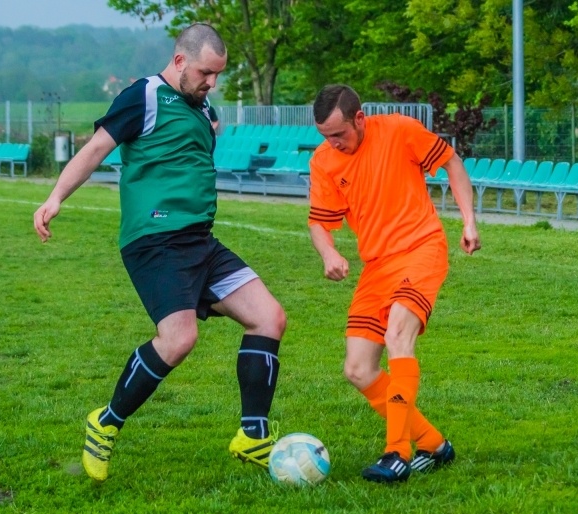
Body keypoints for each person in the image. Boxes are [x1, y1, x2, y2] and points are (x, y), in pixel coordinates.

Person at [33, 23, 286, 482]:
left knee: (269, 317)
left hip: (199, 242)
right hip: (155, 243)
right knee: (178, 339)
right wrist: (55, 197)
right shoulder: (143, 95)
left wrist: (211, 125)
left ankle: (253, 437)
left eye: (218, 76)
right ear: (180, 61)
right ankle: (105, 422)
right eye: (207, 73)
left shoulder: (200, 106)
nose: (212, 83)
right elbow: (95, 150)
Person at [307, 85, 481, 483]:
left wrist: (468, 220)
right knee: (358, 369)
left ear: (360, 119)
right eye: (325, 137)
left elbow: (452, 162)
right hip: (376, 266)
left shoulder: (401, 130)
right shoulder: (324, 161)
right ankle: (434, 444)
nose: (333, 143)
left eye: (339, 134)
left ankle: (396, 453)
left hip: (421, 249)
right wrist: (329, 253)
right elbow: (319, 220)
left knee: (397, 335)